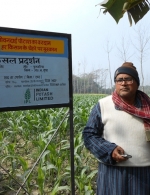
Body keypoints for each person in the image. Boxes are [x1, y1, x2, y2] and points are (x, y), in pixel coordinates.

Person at [82, 62, 150, 195]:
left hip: (145, 174)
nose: (123, 83)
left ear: (136, 83)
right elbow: (89, 135)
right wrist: (109, 150)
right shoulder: (103, 105)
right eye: (119, 80)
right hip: (112, 174)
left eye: (128, 79)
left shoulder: (148, 106)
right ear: (115, 84)